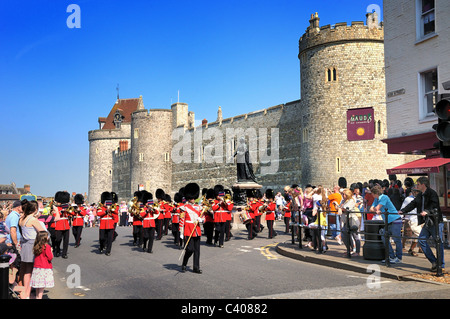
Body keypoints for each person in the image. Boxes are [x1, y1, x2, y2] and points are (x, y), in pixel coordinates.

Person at [399, 176, 445, 271]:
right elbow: (413, 204)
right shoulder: (420, 195)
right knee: (421, 240)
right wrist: (403, 211)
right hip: (427, 222)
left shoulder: (432, 193)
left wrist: (427, 211)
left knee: (438, 243)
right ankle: (434, 261)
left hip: (435, 222)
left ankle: (441, 265)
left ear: (423, 185)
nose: (417, 186)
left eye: (418, 184)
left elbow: (435, 205)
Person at [18, 199, 47, 299]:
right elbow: (43, 233)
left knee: (26, 270)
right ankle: (27, 294)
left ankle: (26, 293)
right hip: (32, 245)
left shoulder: (22, 219)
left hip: (25, 245)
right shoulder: (33, 220)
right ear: (35, 209)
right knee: (31, 272)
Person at [370, 185, 403, 263]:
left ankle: (398, 257)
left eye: (372, 193)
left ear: (375, 193)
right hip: (388, 221)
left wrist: (375, 209)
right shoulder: (376, 199)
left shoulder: (384, 197)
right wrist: (375, 210)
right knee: (384, 237)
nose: (372, 195)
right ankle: (391, 256)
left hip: (395, 220)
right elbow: (371, 209)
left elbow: (376, 208)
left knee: (396, 239)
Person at [180, 183, 204, 273]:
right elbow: (181, 220)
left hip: (196, 230)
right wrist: (181, 232)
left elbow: (203, 217)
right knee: (190, 249)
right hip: (188, 230)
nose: (193, 200)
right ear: (188, 198)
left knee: (197, 250)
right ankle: (184, 263)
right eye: (191, 198)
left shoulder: (199, 207)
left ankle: (196, 267)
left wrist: (201, 220)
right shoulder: (184, 208)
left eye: (194, 198)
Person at [30, 230, 54, 299]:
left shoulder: (36, 246)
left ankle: (37, 297)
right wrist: (51, 251)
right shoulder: (47, 247)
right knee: (42, 287)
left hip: (37, 268)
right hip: (45, 268)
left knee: (38, 286)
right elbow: (50, 257)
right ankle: (39, 298)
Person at [338, 189, 361, 257]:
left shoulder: (351, 200)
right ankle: (350, 249)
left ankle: (357, 252)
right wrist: (338, 207)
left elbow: (346, 209)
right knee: (344, 234)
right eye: (342, 194)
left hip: (352, 220)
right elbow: (339, 207)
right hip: (346, 220)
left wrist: (340, 208)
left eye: (344, 194)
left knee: (355, 236)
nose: (343, 195)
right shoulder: (343, 201)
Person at [401, 187, 422, 256]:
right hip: (411, 219)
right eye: (415, 191)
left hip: (420, 218)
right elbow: (403, 208)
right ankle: (402, 246)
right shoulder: (408, 199)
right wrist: (402, 218)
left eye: (417, 191)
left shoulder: (421, 197)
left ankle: (412, 249)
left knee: (416, 236)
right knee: (408, 234)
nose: (416, 193)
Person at [97, 192, 118, 256]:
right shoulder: (101, 207)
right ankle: (101, 247)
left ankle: (108, 251)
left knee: (109, 239)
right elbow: (99, 213)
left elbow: (116, 214)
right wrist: (106, 211)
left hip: (110, 225)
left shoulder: (112, 208)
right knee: (102, 238)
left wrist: (111, 210)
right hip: (103, 225)